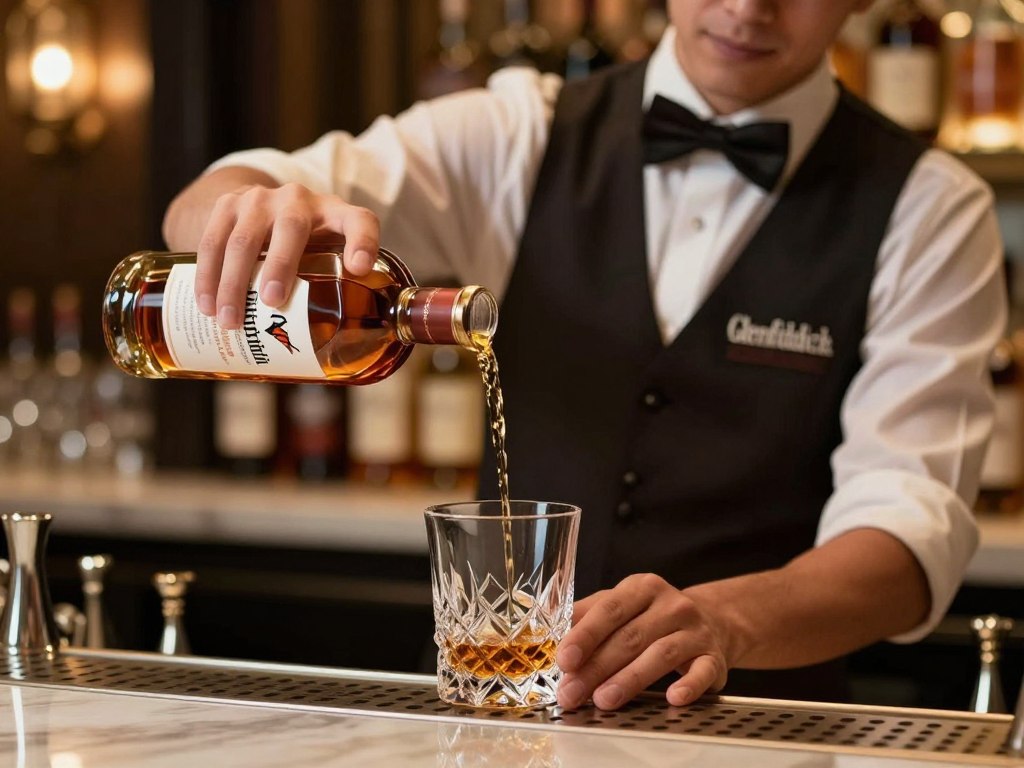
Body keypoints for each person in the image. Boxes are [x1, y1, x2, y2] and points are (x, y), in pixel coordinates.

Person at [162, 0, 1005, 711]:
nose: (749, 7)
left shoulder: (930, 208)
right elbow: (221, 194)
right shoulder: (520, 129)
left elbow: (905, 536)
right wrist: (248, 211)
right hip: (490, 717)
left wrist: (728, 621)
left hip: (756, 725)